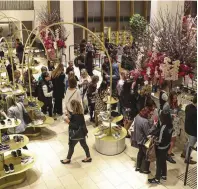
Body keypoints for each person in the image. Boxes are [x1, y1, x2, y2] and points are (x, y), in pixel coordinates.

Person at [60, 100, 91, 164]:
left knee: (71, 146)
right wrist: (69, 115)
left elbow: (75, 126)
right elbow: (80, 123)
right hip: (82, 133)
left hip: (75, 134)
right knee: (84, 145)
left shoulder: (75, 116)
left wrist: (68, 121)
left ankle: (68, 159)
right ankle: (88, 157)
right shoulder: (80, 114)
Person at [148, 111, 173, 184]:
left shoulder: (163, 127)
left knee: (159, 163)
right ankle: (164, 175)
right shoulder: (170, 125)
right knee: (163, 161)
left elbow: (160, 140)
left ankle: (157, 179)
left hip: (161, 148)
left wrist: (154, 140)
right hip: (167, 146)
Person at [134, 105, 155, 174]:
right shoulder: (145, 121)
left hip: (137, 138)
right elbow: (148, 133)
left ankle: (138, 167)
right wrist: (154, 125)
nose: (150, 114)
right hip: (143, 141)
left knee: (140, 153)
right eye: (149, 113)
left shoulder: (137, 116)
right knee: (146, 155)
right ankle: (145, 170)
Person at [165, 91, 181, 164]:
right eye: (173, 98)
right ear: (170, 98)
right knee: (172, 140)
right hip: (170, 125)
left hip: (175, 124)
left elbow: (176, 111)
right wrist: (171, 115)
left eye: (175, 98)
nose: (175, 99)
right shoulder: (167, 105)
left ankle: (168, 152)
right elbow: (164, 115)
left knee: (172, 140)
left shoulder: (175, 104)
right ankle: (168, 155)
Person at [183, 95, 197, 164]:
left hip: (187, 128)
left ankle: (184, 153)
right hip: (193, 132)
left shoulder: (187, 107)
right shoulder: (195, 111)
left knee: (188, 142)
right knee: (191, 145)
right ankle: (187, 159)